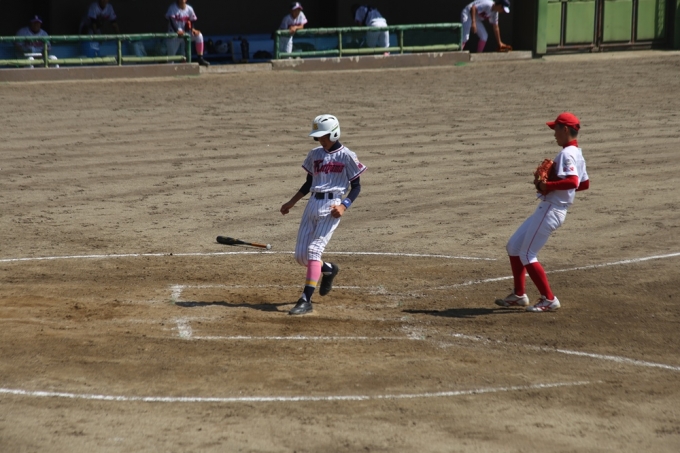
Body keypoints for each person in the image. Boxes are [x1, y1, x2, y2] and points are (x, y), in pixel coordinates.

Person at [495, 112, 590, 312]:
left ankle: (549, 299)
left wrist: (548, 186)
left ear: (565, 129)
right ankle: (519, 295)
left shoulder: (567, 154)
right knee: (514, 246)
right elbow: (583, 184)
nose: (554, 134)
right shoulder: (577, 153)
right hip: (548, 208)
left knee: (527, 254)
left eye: (556, 129)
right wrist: (554, 187)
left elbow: (573, 181)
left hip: (552, 210)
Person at [280, 115, 367, 315]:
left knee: (314, 251)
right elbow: (309, 183)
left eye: (324, 136)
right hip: (312, 204)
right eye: (318, 136)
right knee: (301, 257)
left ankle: (305, 300)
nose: (321, 140)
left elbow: (356, 186)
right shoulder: (314, 154)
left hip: (332, 206)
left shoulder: (347, 156)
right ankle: (328, 269)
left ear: (334, 133)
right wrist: (292, 202)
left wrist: (344, 205)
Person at [165, 0, 209, 66]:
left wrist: (193, 29)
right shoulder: (172, 8)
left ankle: (200, 58)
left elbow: (192, 20)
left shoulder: (189, 8)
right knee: (170, 60)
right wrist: (177, 31)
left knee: (199, 36)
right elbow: (172, 21)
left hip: (185, 35)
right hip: (174, 35)